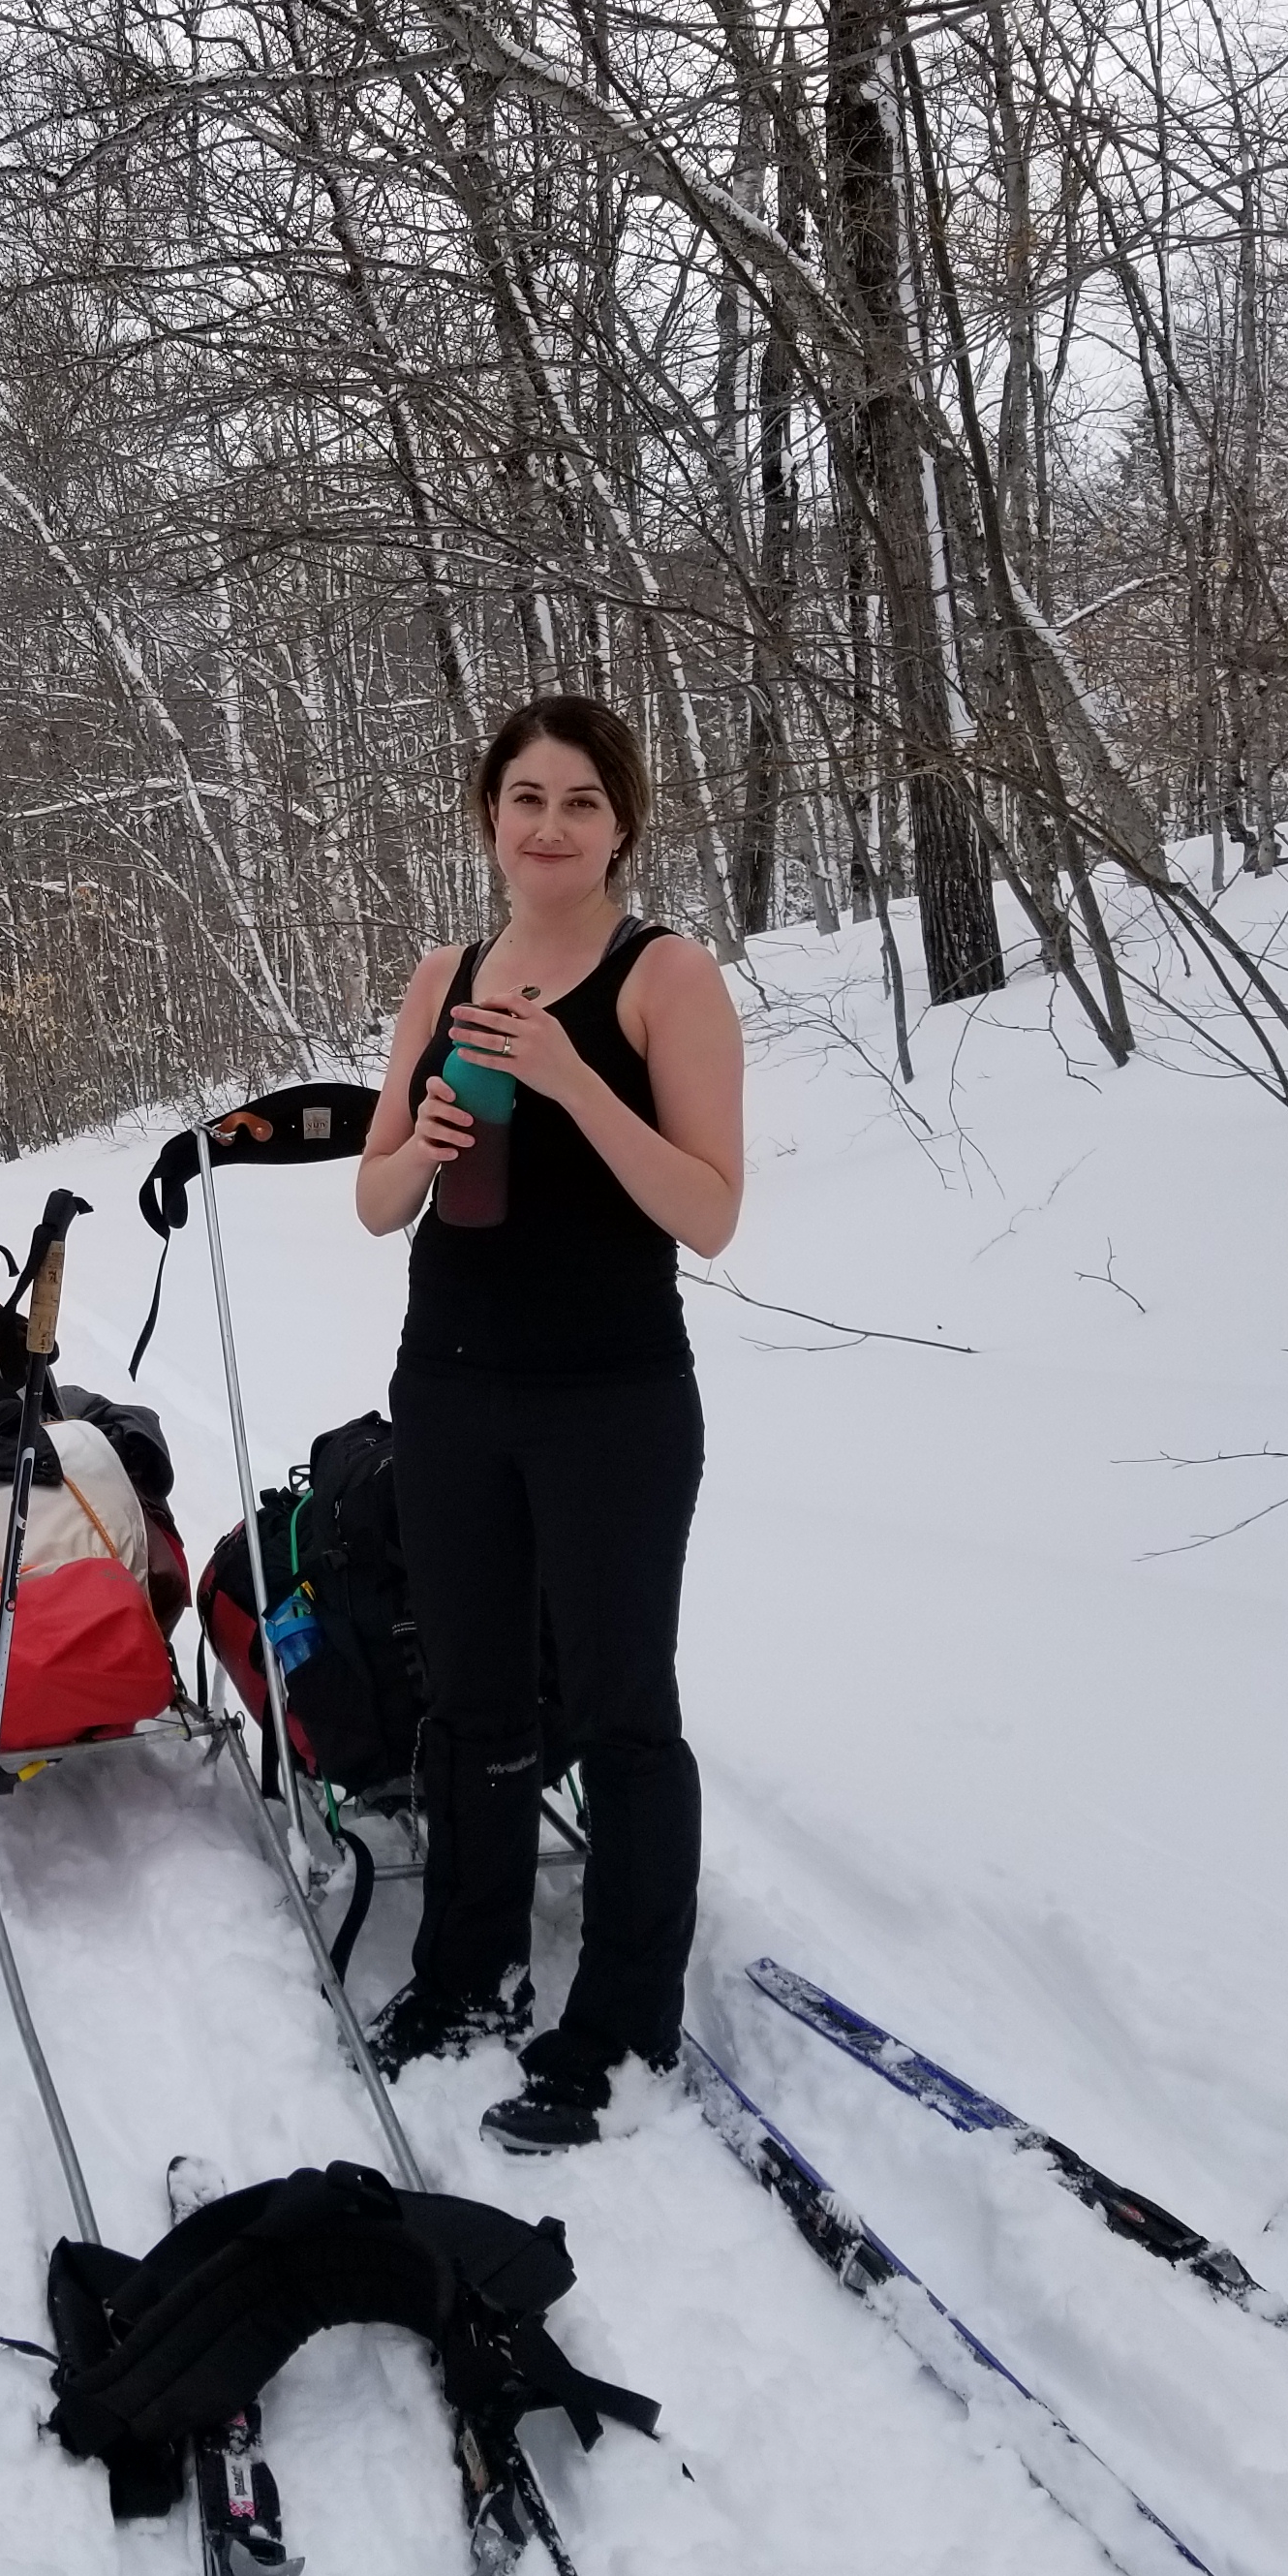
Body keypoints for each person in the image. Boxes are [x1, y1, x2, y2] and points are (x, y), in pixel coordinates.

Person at [349, 695, 747, 2150]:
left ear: (622, 822)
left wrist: (576, 1081)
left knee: (627, 1704)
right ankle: (468, 1968)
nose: (551, 826)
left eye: (581, 801)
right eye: (526, 798)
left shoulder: (664, 977)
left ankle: (625, 2022)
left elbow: (710, 1214)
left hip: (615, 1398)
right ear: (489, 818)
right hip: (449, 1386)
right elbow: (375, 1197)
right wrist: (424, 1147)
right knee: (470, 1701)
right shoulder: (443, 976)